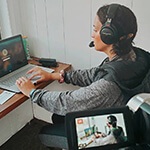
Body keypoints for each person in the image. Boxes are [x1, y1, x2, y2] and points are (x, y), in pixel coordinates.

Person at [16, 4, 150, 122]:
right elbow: (95, 74)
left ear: (108, 35)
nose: (92, 35)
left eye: (96, 30)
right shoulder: (137, 56)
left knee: (57, 119)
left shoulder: (109, 85)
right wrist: (56, 76)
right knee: (58, 118)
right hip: (127, 117)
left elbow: (66, 103)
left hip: (107, 125)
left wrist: (32, 92)